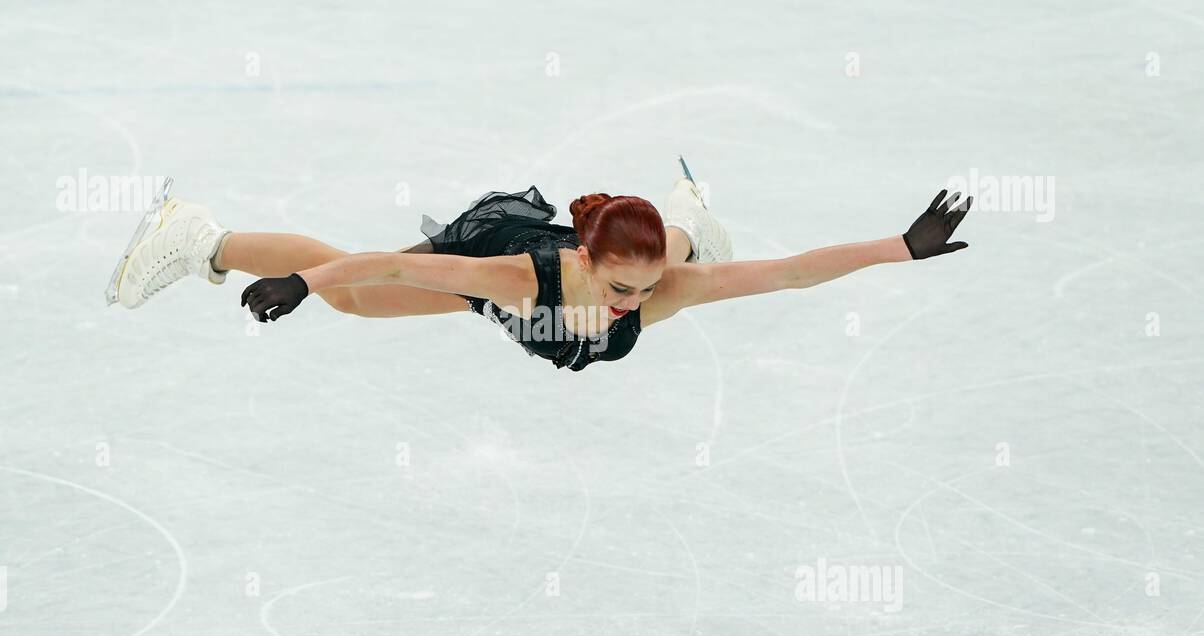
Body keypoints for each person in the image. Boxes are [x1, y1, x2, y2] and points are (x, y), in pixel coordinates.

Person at [105, 165, 971, 372]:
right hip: (496, 254)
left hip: (638, 241)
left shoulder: (662, 282)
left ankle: (688, 220)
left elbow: (790, 273)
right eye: (621, 286)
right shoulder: (519, 279)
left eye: (644, 286)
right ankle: (199, 238)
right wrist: (303, 285)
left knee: (691, 255)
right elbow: (387, 269)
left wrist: (901, 247)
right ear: (585, 259)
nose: (640, 300)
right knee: (361, 298)